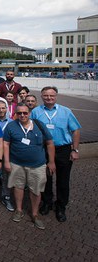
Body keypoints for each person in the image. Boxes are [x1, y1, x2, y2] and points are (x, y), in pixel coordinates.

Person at [31, 86, 81, 222]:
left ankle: (61, 206)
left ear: (56, 96)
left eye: (51, 96)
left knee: (63, 180)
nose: (49, 98)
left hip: (63, 149)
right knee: (45, 179)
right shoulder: (36, 112)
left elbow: (75, 131)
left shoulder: (66, 112)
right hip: (43, 149)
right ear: (41, 96)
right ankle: (47, 202)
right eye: (46, 96)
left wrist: (75, 150)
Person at [4, 103, 56, 230]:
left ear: (30, 113)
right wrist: (6, 161)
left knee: (36, 189)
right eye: (19, 113)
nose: (22, 115)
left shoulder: (39, 125)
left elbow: (49, 143)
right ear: (16, 114)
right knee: (18, 187)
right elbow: (6, 144)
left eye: (25, 113)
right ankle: (19, 209)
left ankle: (34, 214)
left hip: (37, 165)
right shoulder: (11, 126)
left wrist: (51, 161)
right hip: (17, 164)